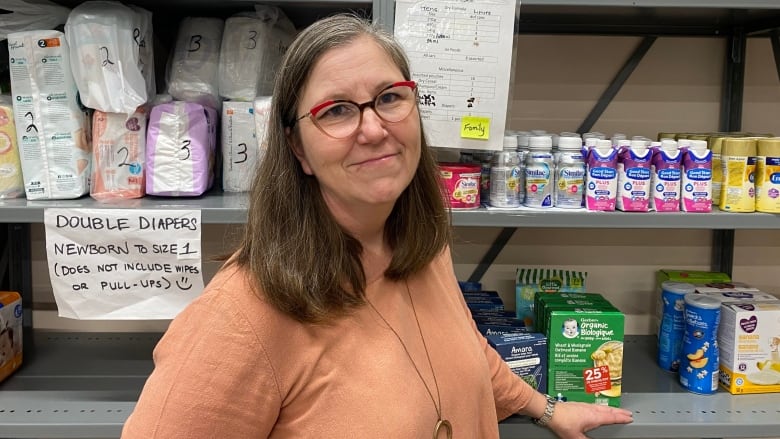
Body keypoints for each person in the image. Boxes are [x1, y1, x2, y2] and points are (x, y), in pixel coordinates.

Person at [122, 13, 633, 439]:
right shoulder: (242, 315)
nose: (373, 128)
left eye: (390, 97)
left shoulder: (421, 244)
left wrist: (544, 408)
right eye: (337, 110)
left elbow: (463, 347)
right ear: (298, 148)